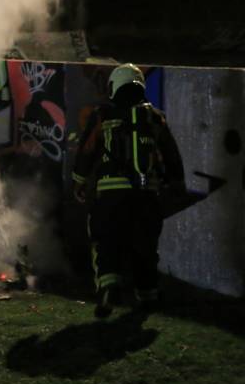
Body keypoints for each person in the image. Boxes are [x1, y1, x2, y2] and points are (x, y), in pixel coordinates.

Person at [72, 63, 186, 318]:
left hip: (111, 193)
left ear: (116, 85)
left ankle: (109, 285)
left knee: (105, 240)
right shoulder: (154, 117)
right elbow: (171, 154)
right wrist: (177, 184)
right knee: (144, 246)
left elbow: (87, 149)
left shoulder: (104, 114)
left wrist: (79, 180)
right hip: (147, 194)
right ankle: (148, 296)